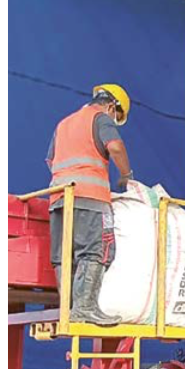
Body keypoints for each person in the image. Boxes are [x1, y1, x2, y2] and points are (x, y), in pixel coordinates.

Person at [45, 83, 134, 327]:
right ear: (111, 105)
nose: (115, 119)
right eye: (117, 115)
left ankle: (70, 309)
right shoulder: (100, 118)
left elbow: (50, 160)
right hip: (91, 198)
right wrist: (127, 175)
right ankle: (85, 308)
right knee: (97, 250)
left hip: (59, 198)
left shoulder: (64, 123)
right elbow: (115, 146)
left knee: (64, 255)